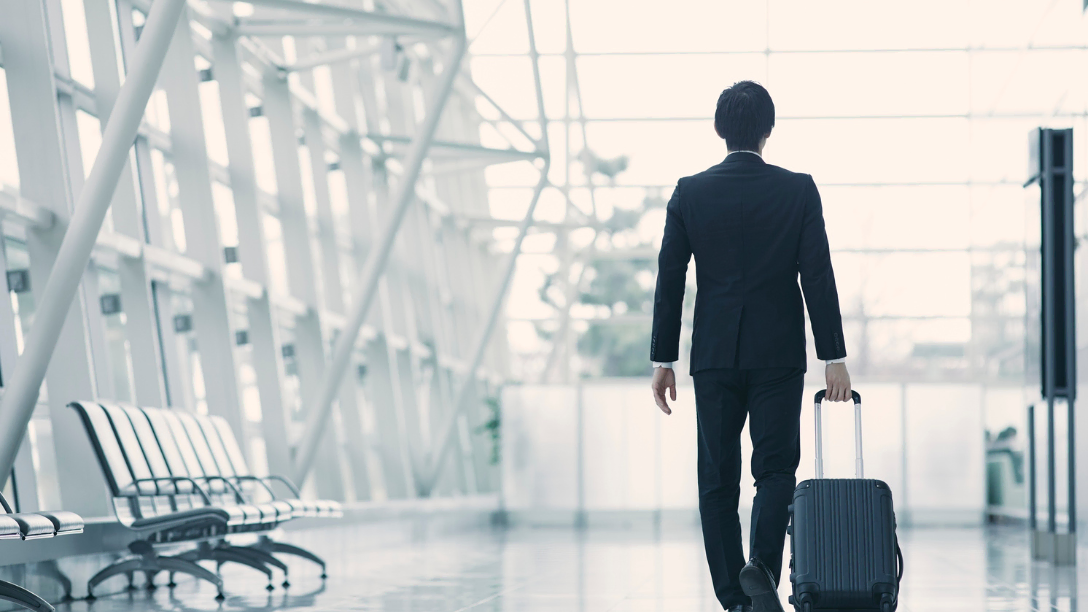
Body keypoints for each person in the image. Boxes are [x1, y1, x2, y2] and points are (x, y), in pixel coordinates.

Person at [649, 81, 851, 612]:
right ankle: (760, 568)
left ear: (720, 130)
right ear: (768, 130)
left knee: (717, 480)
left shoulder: (689, 191)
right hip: (779, 353)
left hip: (715, 354)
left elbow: (670, 278)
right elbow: (818, 277)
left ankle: (735, 600)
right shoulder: (798, 190)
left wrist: (663, 359)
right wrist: (834, 355)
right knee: (776, 469)